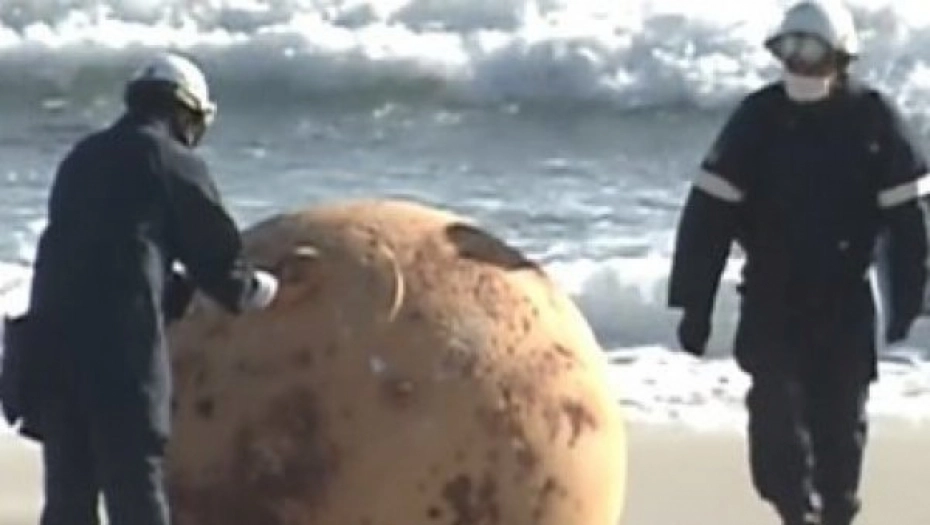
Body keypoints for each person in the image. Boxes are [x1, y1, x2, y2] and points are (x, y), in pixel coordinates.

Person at [667, 2, 929, 525]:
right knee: (776, 436)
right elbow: (708, 217)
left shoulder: (874, 119)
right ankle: (794, 513)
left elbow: (911, 223)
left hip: (844, 304)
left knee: (840, 438)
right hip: (771, 300)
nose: (800, 63)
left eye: (811, 52)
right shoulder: (757, 119)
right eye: (789, 51)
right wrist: (693, 304)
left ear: (842, 57)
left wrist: (912, 301)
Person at [23, 52, 280, 525]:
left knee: (67, 498)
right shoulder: (173, 162)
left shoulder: (82, 158)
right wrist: (257, 289)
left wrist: (174, 291)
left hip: (51, 350)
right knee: (136, 494)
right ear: (186, 112)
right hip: (120, 357)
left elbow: (103, 255)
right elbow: (219, 262)